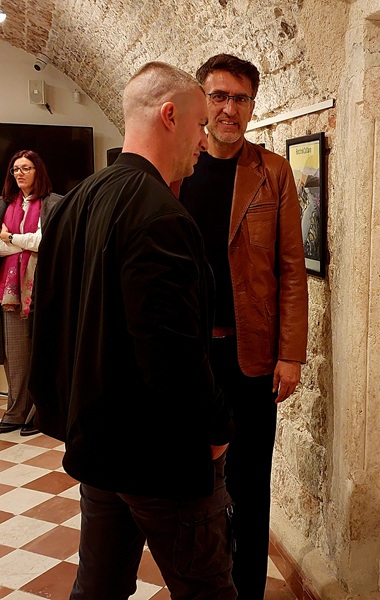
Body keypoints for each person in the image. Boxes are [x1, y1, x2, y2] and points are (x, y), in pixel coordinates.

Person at [27, 61, 237, 600]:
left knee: (98, 588)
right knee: (208, 591)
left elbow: (52, 321)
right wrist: (217, 431)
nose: (203, 139)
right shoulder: (159, 214)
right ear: (169, 115)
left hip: (100, 444)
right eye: (199, 125)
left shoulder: (76, 201)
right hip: (158, 455)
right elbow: (171, 353)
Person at [178, 53, 309, 599]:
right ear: (201, 101)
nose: (229, 109)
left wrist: (291, 354)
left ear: (253, 106)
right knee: (191, 484)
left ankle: (246, 591)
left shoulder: (272, 172)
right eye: (219, 96)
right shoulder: (177, 170)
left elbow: (292, 269)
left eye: (240, 98)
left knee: (251, 486)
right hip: (188, 357)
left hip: (251, 357)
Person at [0, 150, 61, 436]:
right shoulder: (4, 205)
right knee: (15, 355)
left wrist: (11, 237)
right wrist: (24, 243)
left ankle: (39, 415)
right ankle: (16, 411)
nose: (19, 173)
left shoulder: (54, 203)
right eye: (15, 169)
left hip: (42, 288)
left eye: (26, 168)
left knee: (42, 352)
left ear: (38, 171)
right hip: (10, 293)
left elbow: (45, 241)